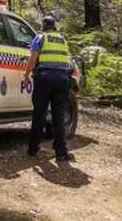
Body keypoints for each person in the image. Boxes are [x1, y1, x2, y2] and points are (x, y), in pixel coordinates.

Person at [23, 15, 75, 161]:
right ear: (55, 26)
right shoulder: (63, 40)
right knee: (58, 116)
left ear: (43, 26)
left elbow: (33, 60)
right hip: (63, 80)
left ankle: (33, 149)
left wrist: (26, 74)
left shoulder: (40, 38)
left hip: (44, 79)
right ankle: (61, 152)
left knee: (39, 113)